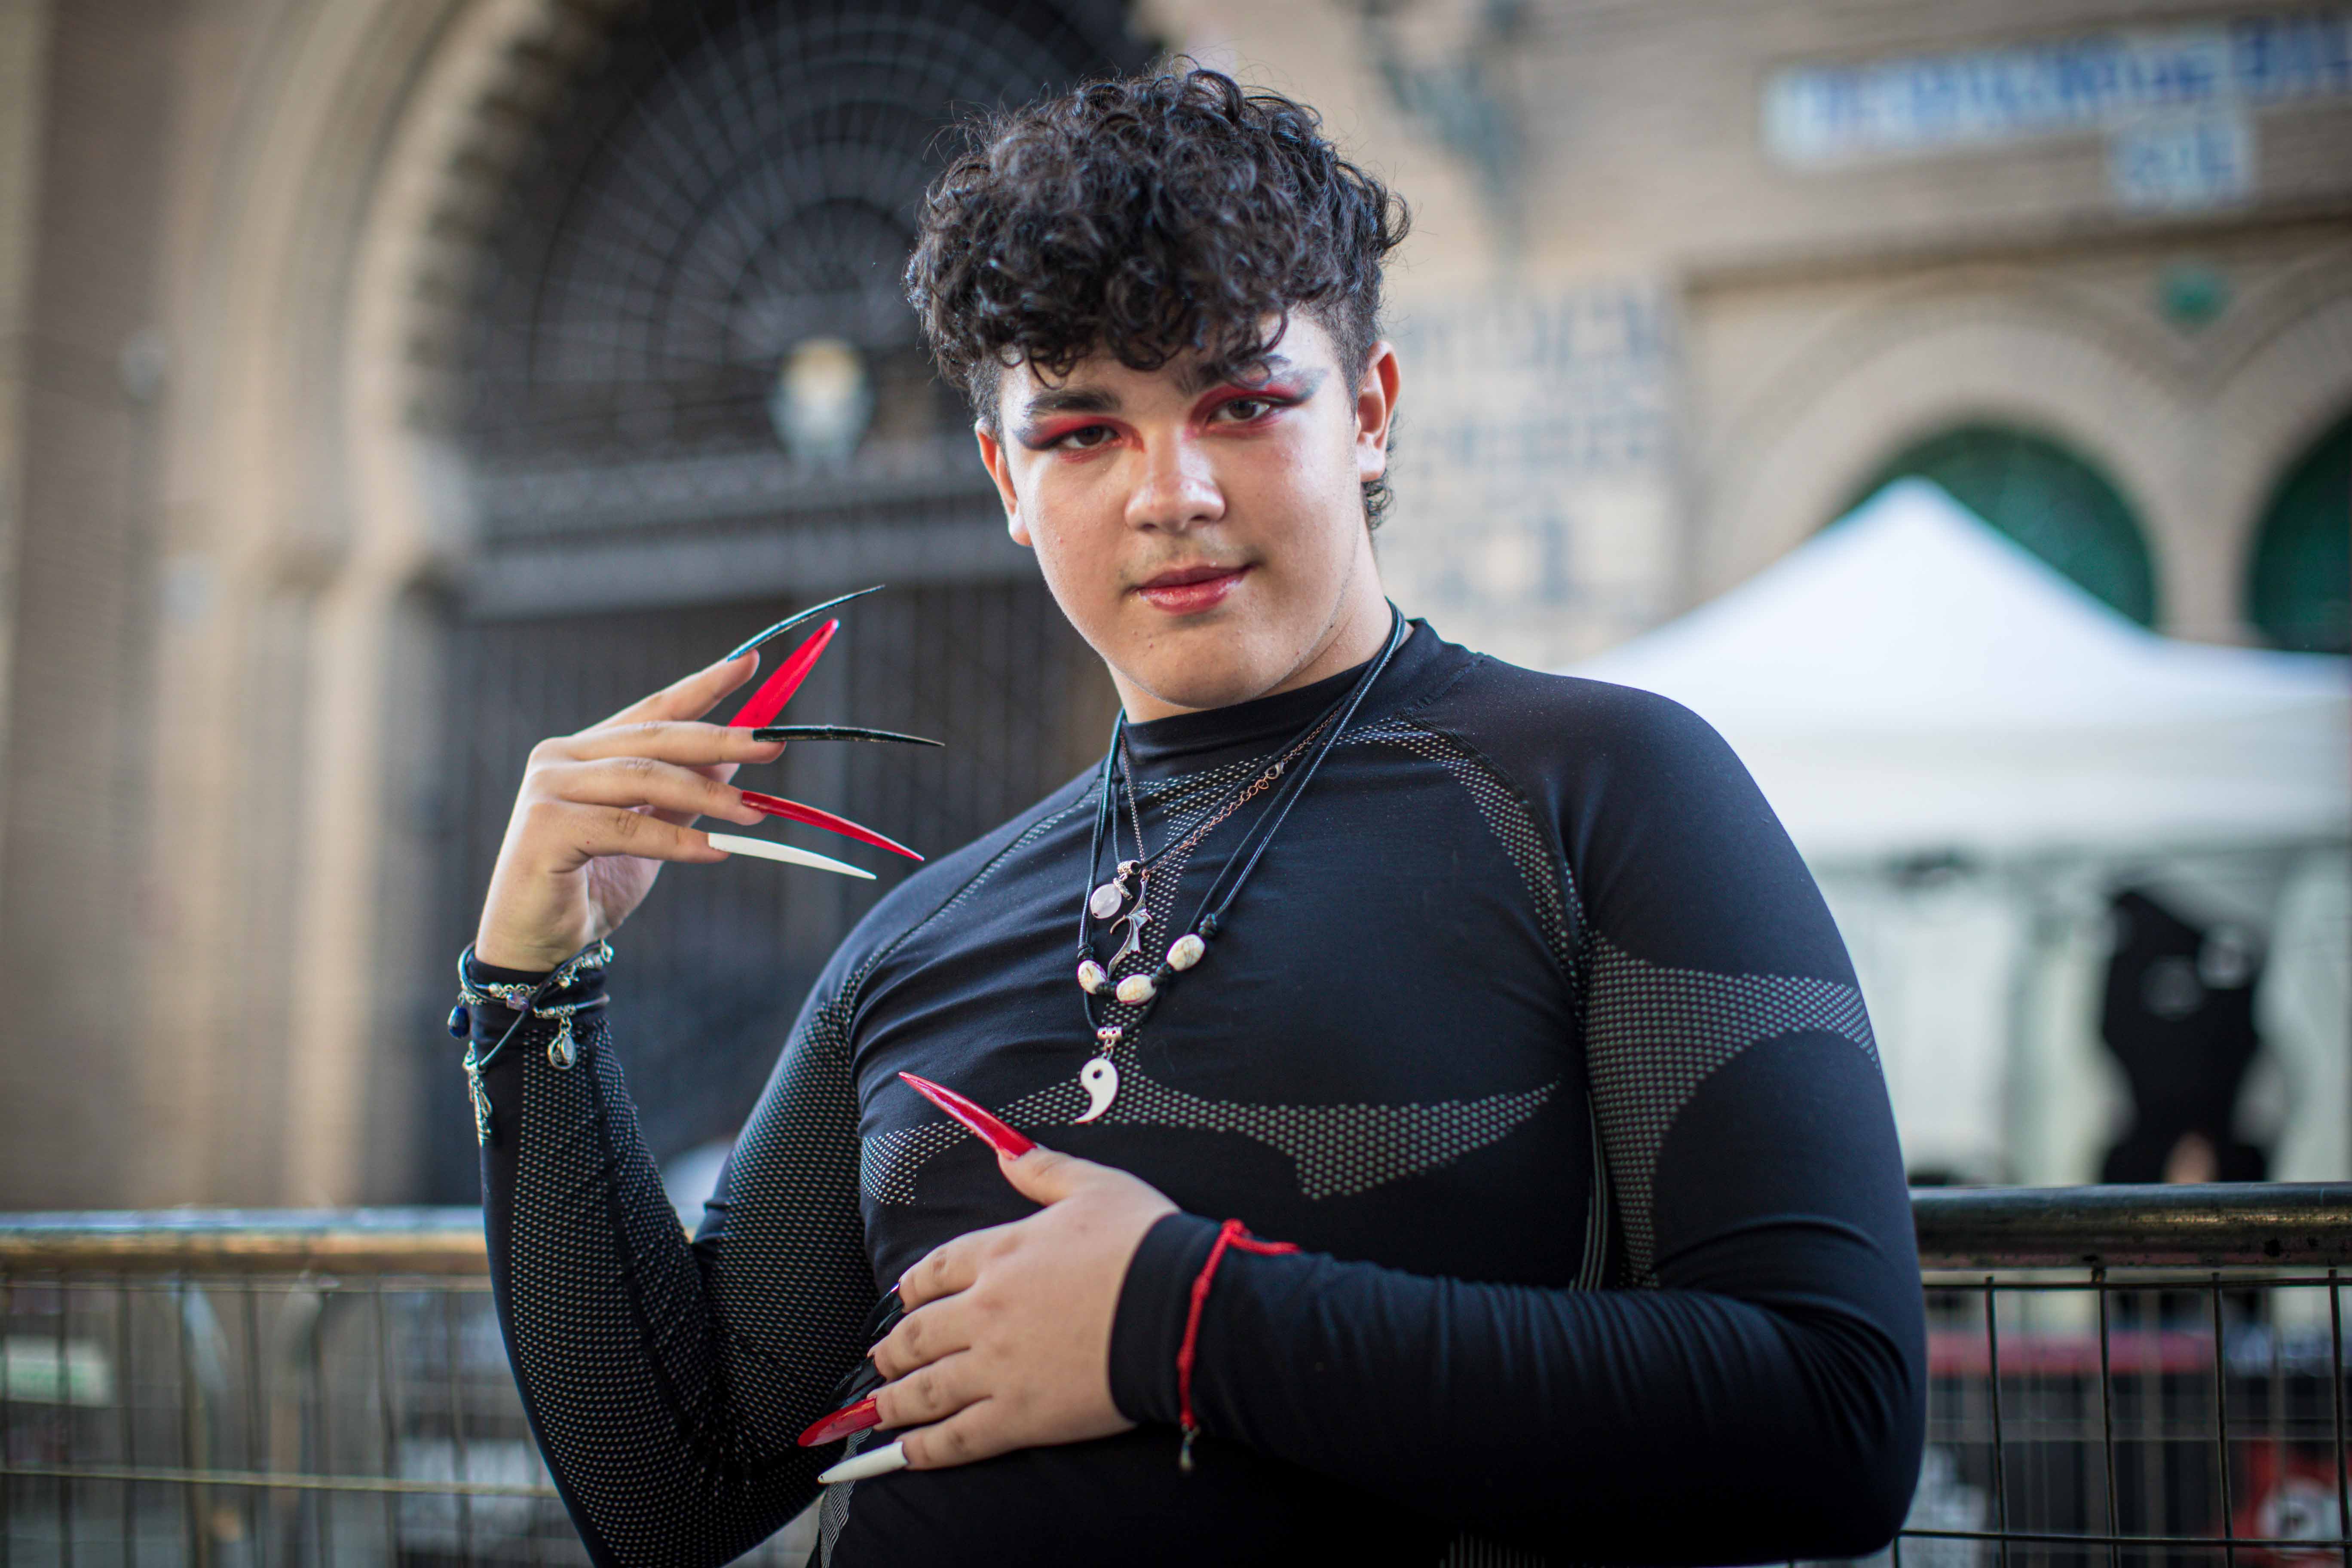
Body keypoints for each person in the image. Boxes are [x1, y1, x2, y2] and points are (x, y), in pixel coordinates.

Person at [453, 67, 1924, 1568]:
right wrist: (529, 985)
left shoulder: (1604, 789)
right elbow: (673, 1494)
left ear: (1369, 412)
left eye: (1242, 404)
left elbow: (1833, 1418)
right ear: (1005, 480)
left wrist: (1182, 1318)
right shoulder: (917, 939)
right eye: (1084, 433)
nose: (1174, 493)